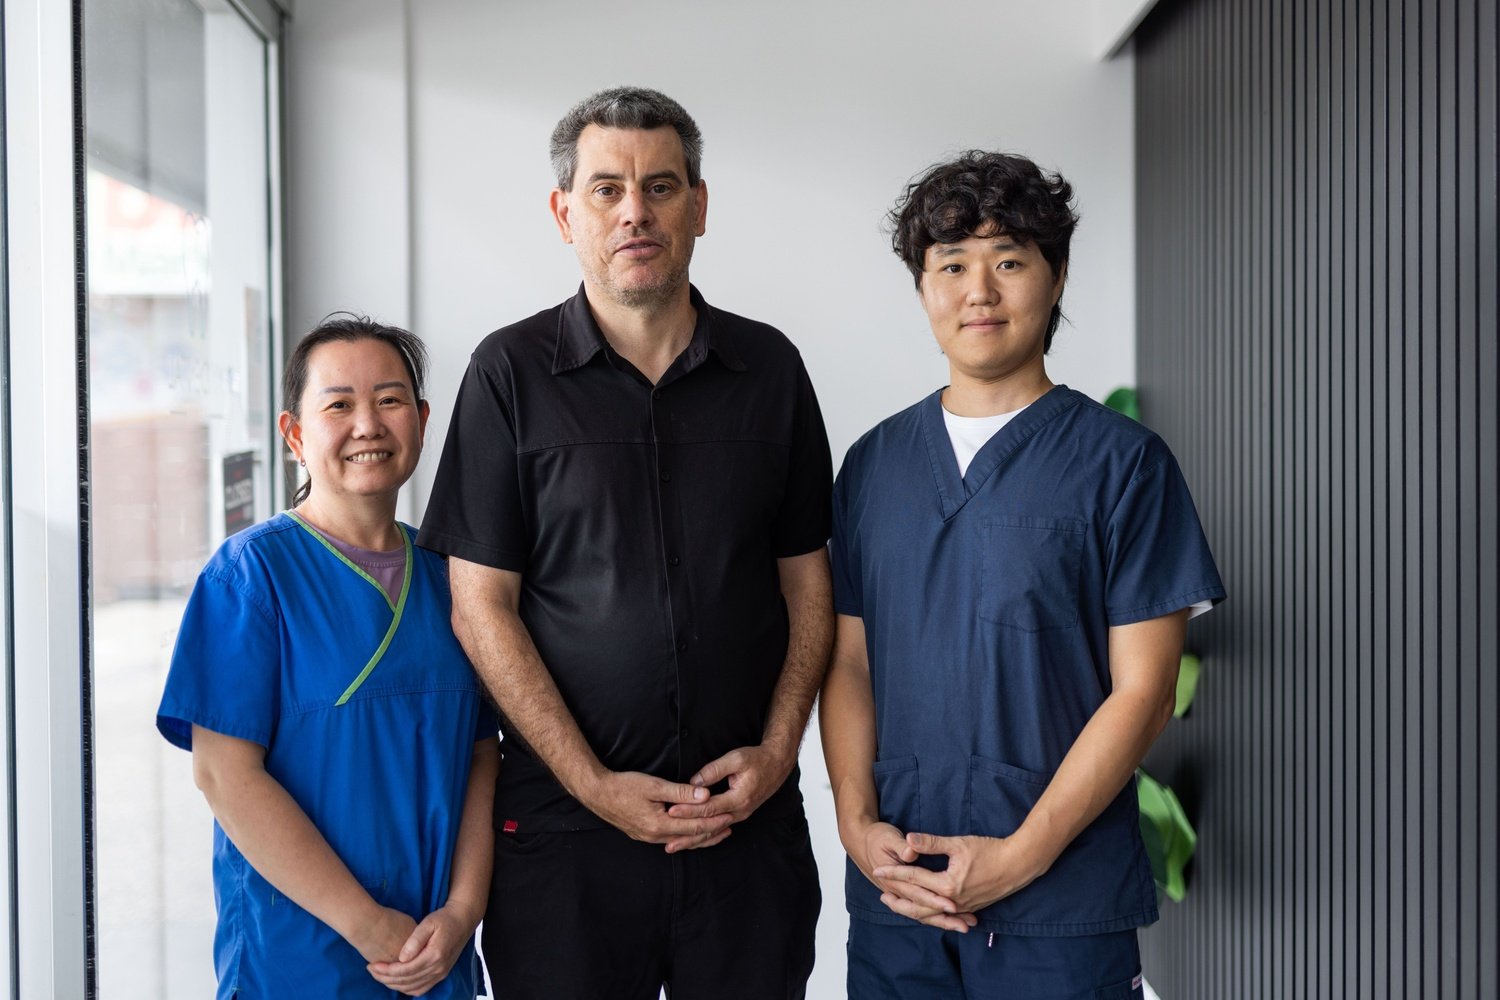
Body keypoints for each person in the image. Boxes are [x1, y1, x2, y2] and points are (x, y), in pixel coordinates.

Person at [417, 86, 832, 999]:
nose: (635, 211)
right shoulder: (508, 374)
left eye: (661, 185)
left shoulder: (771, 370)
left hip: (746, 833)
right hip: (566, 845)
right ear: (566, 212)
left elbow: (809, 586)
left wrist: (775, 752)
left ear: (701, 206)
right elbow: (478, 605)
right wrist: (593, 783)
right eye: (607, 189)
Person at [820, 151, 1226, 998]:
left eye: (1009, 260)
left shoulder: (1124, 465)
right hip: (902, 900)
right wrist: (856, 825)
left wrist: (1021, 856)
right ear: (923, 286)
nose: (980, 291)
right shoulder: (873, 466)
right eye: (951, 265)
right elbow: (849, 662)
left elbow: (1143, 694)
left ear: (1057, 274)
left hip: (1061, 910)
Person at [156, 316, 500, 998]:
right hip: (300, 959)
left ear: (422, 421)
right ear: (294, 435)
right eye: (338, 404)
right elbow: (225, 778)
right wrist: (368, 925)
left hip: (436, 958)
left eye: (390, 400)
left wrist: (463, 913)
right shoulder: (250, 577)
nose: (367, 424)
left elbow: (481, 756)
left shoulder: (453, 578)